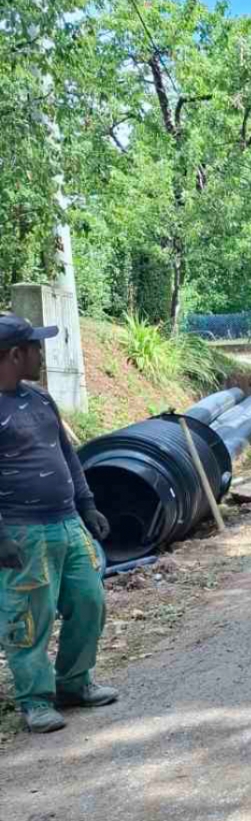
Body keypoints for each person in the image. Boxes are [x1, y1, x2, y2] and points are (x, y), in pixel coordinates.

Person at [0, 314, 117, 734]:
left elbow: (67, 455)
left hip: (67, 523)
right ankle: (35, 699)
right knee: (28, 618)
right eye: (35, 347)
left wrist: (87, 506)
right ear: (16, 354)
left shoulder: (40, 399)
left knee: (89, 601)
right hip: (21, 532)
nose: (41, 353)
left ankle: (74, 683)